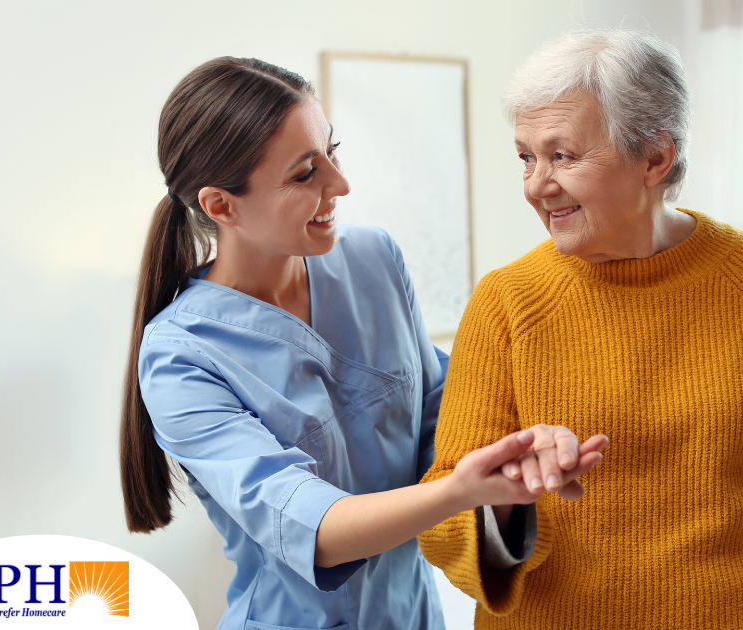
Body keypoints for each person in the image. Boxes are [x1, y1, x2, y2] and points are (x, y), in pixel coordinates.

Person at [118, 57, 605, 630]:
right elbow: (312, 530)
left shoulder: (374, 259)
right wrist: (459, 489)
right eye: (305, 174)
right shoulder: (181, 354)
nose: (340, 184)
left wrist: (512, 461)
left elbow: (438, 419)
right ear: (221, 206)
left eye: (332, 151)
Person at [419, 30, 743, 629]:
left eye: (564, 155)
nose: (537, 184)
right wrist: (506, 499)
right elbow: (444, 522)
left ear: (655, 158)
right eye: (527, 157)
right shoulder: (506, 302)